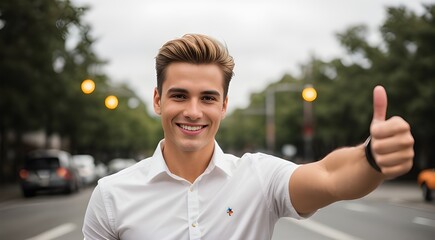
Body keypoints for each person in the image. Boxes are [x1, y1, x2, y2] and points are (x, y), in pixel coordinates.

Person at [82, 34, 414, 240]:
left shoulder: (259, 177)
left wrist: (372, 158)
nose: (194, 112)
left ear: (224, 105)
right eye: (179, 96)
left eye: (208, 98)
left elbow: (330, 176)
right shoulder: (111, 195)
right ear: (158, 100)